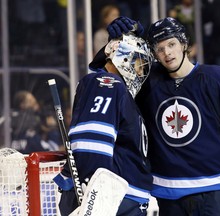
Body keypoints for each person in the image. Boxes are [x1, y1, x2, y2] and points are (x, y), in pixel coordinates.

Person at [97, 16, 220, 216]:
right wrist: (122, 41)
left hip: (219, 191)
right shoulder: (147, 83)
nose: (167, 53)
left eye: (172, 44)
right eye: (160, 48)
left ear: (184, 43)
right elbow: (103, 78)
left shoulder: (217, 78)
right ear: (153, 54)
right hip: (169, 196)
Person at [53, 33, 154, 216]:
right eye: (139, 64)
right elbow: (91, 141)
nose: (140, 72)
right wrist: (94, 196)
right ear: (124, 57)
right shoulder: (106, 83)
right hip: (109, 201)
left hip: (120, 199)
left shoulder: (118, 89)